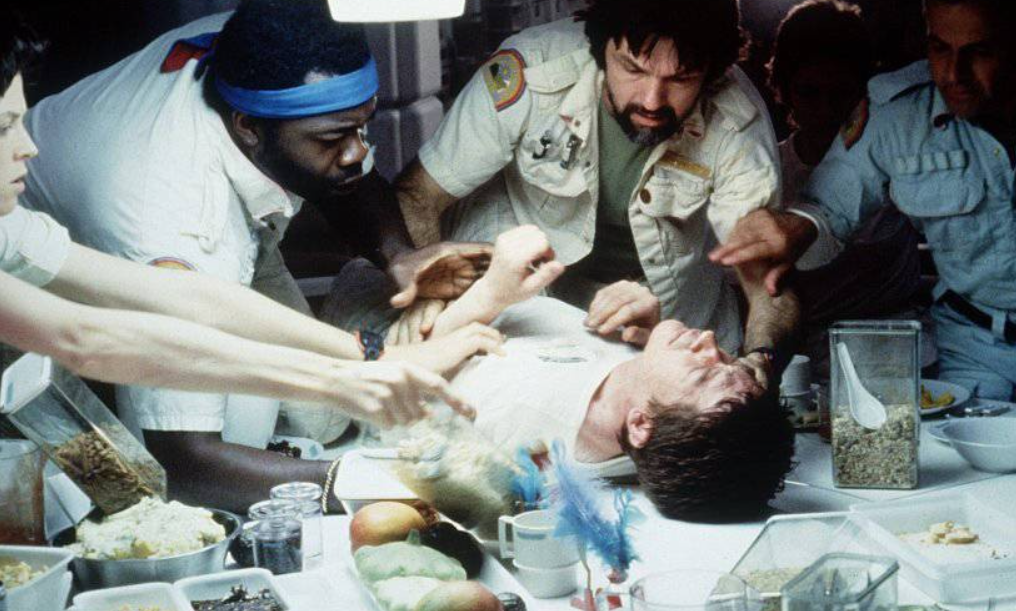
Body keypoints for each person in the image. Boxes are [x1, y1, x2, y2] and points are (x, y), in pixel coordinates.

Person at [10, 3, 503, 511]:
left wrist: (391, 283)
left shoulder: (270, 44)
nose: (357, 150)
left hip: (204, 228)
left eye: (362, 127)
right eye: (334, 137)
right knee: (231, 437)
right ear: (247, 127)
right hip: (110, 239)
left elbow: (199, 299)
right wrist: (368, 482)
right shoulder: (175, 222)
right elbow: (183, 463)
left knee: (320, 419)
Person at [393, 0, 798, 377]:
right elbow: (419, 194)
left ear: (712, 74)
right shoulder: (531, 69)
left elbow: (768, 282)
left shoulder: (738, 122)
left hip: (671, 321)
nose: (652, 101)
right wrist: (429, 296)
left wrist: (758, 364)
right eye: (633, 69)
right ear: (600, 47)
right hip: (525, 310)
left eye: (681, 78)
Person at [325, 226, 796, 522]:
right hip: (456, 285)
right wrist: (646, 336)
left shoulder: (517, 420)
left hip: (372, 322)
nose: (710, 342)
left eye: (704, 373)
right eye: (731, 361)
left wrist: (488, 296)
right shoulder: (646, 399)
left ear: (641, 424)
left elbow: (385, 389)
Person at [712, 0, 1016, 400]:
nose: (953, 74)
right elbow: (831, 202)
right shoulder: (898, 114)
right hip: (974, 344)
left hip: (906, 335)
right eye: (940, 48)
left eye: (979, 52)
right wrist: (795, 227)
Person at [767, 0, 921, 375]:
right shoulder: (766, 172)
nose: (826, 110)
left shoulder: (896, 160)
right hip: (798, 355)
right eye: (809, 92)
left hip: (894, 347)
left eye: (841, 94)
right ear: (782, 90)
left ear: (866, 92)